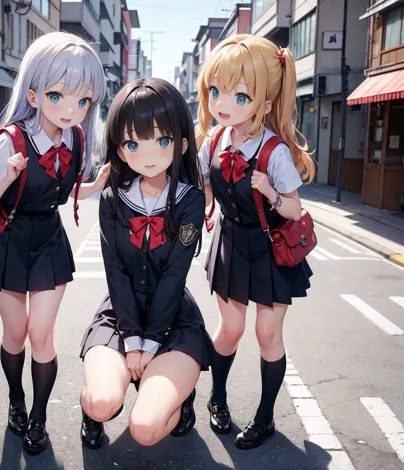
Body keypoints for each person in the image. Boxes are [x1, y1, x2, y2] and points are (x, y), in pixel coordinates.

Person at [0, 32, 108, 454]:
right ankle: (16, 401)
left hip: (48, 239)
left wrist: (95, 185)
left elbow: (62, 193)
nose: (71, 110)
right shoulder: (11, 139)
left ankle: (39, 419)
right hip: (6, 241)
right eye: (58, 95)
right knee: (16, 332)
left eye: (82, 101)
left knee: (41, 334)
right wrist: (7, 178)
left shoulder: (76, 139)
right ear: (32, 94)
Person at [79, 78, 213, 449]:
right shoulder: (111, 200)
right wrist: (131, 338)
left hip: (173, 322)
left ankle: (180, 396)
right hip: (120, 316)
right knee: (103, 402)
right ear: (121, 151)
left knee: (146, 429)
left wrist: (150, 342)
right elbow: (115, 273)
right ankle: (89, 410)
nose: (148, 154)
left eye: (163, 141)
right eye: (134, 143)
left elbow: (174, 275)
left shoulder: (189, 201)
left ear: (182, 144)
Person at [196, 35, 316, 449]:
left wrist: (268, 191)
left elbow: (295, 211)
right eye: (216, 91)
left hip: (268, 248)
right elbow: (204, 191)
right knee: (229, 330)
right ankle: (217, 398)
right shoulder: (213, 142)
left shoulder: (274, 153)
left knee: (267, 334)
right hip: (230, 242)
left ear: (264, 104)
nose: (222, 103)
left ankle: (265, 418)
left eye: (238, 95)